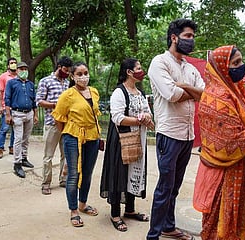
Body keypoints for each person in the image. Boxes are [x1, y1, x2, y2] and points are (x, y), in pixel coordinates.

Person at [192, 46, 245, 240]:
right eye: (235, 63)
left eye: (241, 62)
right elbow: (232, 138)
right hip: (225, 171)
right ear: (222, 68)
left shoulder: (233, 92)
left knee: (236, 218)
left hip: (238, 167)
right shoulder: (219, 96)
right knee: (221, 223)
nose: (241, 67)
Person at [146, 18, 204, 240]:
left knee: (175, 187)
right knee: (164, 187)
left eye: (192, 36)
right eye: (188, 36)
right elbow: (172, 95)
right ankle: (153, 235)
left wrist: (185, 87)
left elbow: (205, 94)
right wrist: (192, 92)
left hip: (187, 135)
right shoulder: (159, 63)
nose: (191, 40)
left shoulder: (189, 68)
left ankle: (168, 226)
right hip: (169, 135)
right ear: (174, 37)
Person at [100, 58, 154, 232]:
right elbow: (117, 118)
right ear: (129, 72)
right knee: (119, 174)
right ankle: (115, 214)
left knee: (134, 172)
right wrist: (140, 120)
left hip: (138, 139)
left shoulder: (140, 92)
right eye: (138, 68)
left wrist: (147, 118)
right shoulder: (119, 92)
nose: (141, 70)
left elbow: (148, 114)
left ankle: (130, 210)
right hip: (122, 140)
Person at [52, 62, 101, 227]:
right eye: (79, 74)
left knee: (87, 172)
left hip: (92, 136)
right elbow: (58, 118)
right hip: (73, 137)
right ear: (73, 76)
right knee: (74, 174)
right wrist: (68, 133)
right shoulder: (68, 95)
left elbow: (95, 114)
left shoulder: (94, 92)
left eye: (85, 73)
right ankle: (73, 210)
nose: (83, 77)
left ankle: (82, 204)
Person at [36, 56, 72, 194]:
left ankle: (64, 179)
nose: (67, 73)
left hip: (67, 124)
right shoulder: (46, 81)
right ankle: (46, 183)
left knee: (66, 154)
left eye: (69, 71)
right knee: (48, 156)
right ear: (59, 67)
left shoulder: (67, 83)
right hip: (52, 124)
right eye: (65, 70)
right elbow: (39, 101)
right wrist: (55, 105)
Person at [4, 62, 38, 178]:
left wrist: (35, 114)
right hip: (17, 113)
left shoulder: (30, 84)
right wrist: (8, 115)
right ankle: (17, 163)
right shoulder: (11, 83)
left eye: (25, 69)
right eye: (21, 69)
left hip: (29, 113)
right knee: (18, 139)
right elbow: (7, 99)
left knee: (26, 138)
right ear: (17, 70)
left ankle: (24, 158)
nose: (24, 71)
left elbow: (34, 100)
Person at [0, 58, 18, 158]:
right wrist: (0, 106)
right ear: (8, 65)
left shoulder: (19, 76)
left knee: (15, 129)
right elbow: (0, 92)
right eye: (11, 63)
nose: (13, 64)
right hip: (6, 107)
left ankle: (12, 147)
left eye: (15, 63)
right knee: (4, 129)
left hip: (17, 107)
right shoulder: (3, 77)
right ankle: (0, 148)